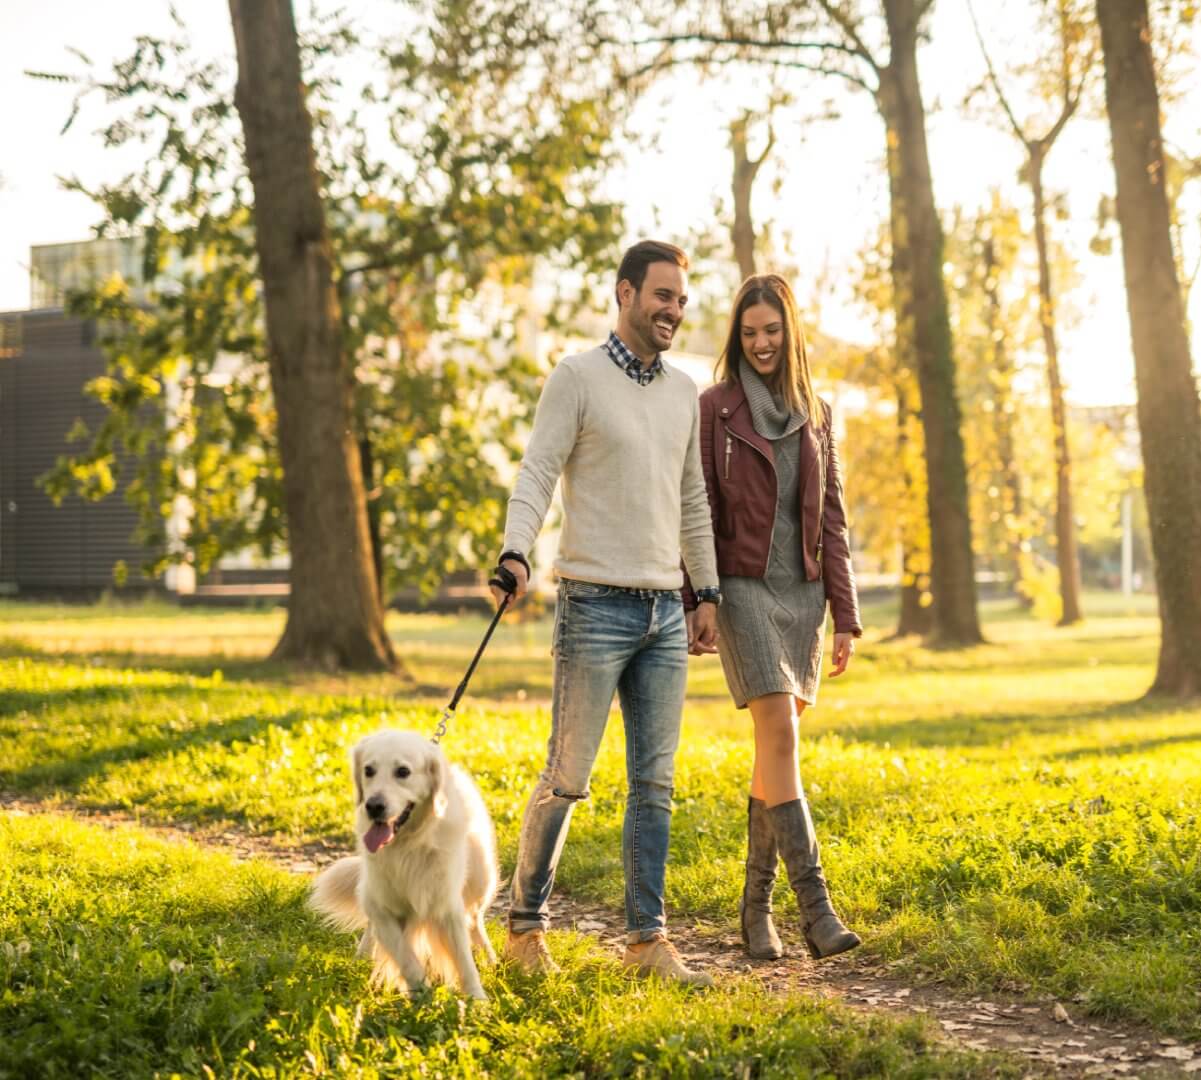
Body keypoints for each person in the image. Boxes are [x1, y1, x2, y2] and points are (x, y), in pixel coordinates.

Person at [491, 240, 721, 985]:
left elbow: (692, 500)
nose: (673, 311)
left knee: (654, 786)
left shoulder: (684, 390)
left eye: (681, 300)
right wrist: (515, 551)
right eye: (662, 296)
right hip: (592, 604)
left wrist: (706, 591)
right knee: (566, 779)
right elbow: (536, 471)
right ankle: (523, 930)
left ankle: (646, 943)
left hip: (663, 611)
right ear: (624, 294)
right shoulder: (577, 377)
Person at [683, 273, 862, 962]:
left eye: (770, 331)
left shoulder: (816, 410)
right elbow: (694, 506)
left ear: (788, 332)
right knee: (779, 734)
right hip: (741, 587)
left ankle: (754, 913)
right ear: (737, 337)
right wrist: (695, 595)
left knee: (773, 750)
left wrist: (844, 616)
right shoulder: (715, 408)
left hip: (803, 595)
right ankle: (815, 910)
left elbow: (833, 520)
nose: (759, 343)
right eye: (748, 332)